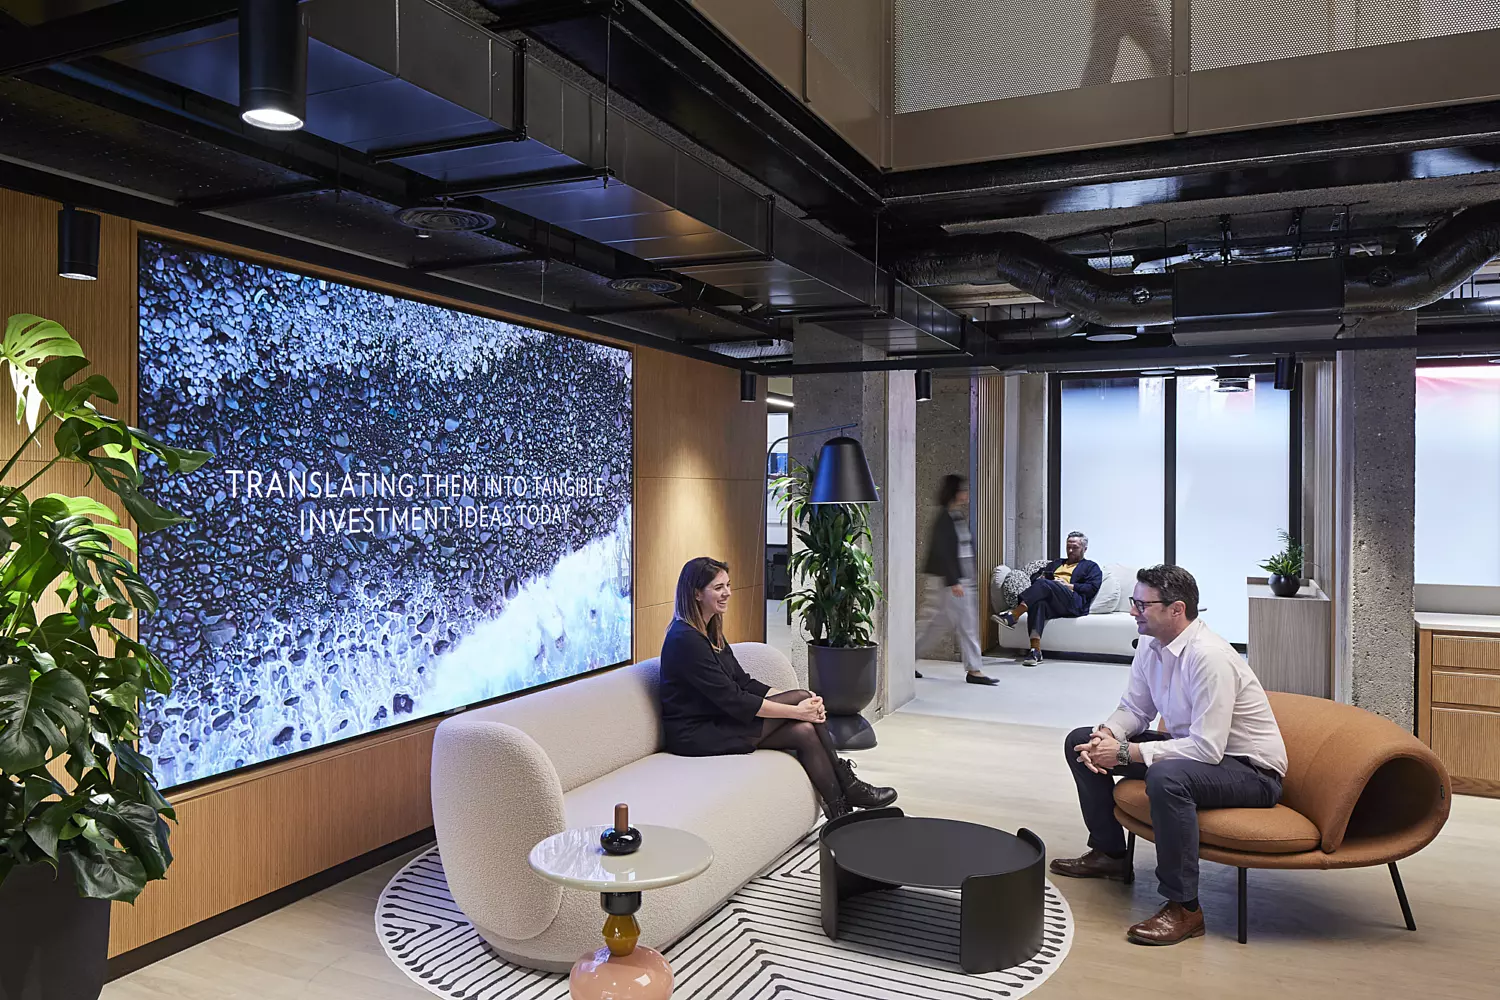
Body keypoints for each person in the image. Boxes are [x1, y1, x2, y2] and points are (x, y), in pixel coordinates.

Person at [1050, 565, 1288, 946]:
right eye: (1134, 602)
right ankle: (1110, 854)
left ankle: (1185, 909)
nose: (1133, 612)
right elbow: (1136, 707)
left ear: (1176, 610)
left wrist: (1128, 752)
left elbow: (1208, 748)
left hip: (1249, 771)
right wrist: (1108, 735)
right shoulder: (1150, 643)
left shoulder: (1209, 657)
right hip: (1196, 752)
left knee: (1167, 777)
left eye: (1142, 605)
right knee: (1080, 742)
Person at [659, 556, 898, 820]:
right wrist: (797, 710)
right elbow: (734, 700)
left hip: (718, 718)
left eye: (728, 585)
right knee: (801, 706)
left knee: (805, 731)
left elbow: (743, 681)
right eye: (718, 588)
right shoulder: (685, 639)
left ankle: (840, 812)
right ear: (696, 593)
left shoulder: (709, 629)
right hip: (695, 733)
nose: (727, 593)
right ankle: (849, 786)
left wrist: (800, 710)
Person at [915, 475, 998, 685]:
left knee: (934, 625)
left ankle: (904, 661)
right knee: (967, 624)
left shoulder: (955, 517)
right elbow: (943, 552)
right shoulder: (944, 518)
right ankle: (974, 670)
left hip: (956, 580)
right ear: (955, 492)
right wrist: (954, 581)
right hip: (952, 581)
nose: (966, 494)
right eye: (963, 490)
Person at [997, 531, 1102, 666]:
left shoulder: (1091, 566)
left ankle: (1015, 614)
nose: (1070, 550)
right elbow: (1034, 577)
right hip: (1053, 601)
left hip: (1072, 602)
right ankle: (1035, 651)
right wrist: (1040, 578)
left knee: (1045, 585)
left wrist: (1068, 586)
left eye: (1075, 547)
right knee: (1039, 603)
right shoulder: (1056, 563)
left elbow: (1091, 588)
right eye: (1068, 547)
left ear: (1084, 549)